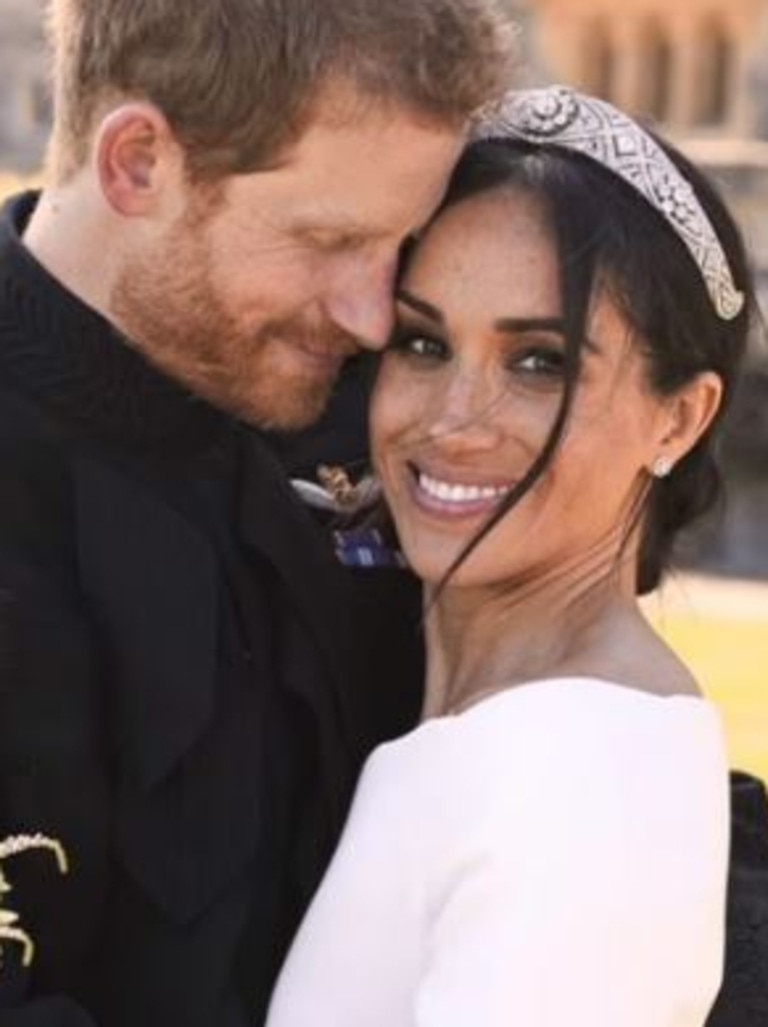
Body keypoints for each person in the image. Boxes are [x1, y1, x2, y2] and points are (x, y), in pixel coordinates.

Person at [0, 1, 521, 1024]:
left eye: (403, 245)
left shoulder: (366, 395)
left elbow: (546, 727)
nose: (374, 313)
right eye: (331, 239)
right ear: (139, 163)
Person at [265, 86, 762, 1027]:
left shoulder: (581, 775)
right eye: (421, 342)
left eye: (540, 361)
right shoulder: (490, 727)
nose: (453, 420)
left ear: (680, 416)